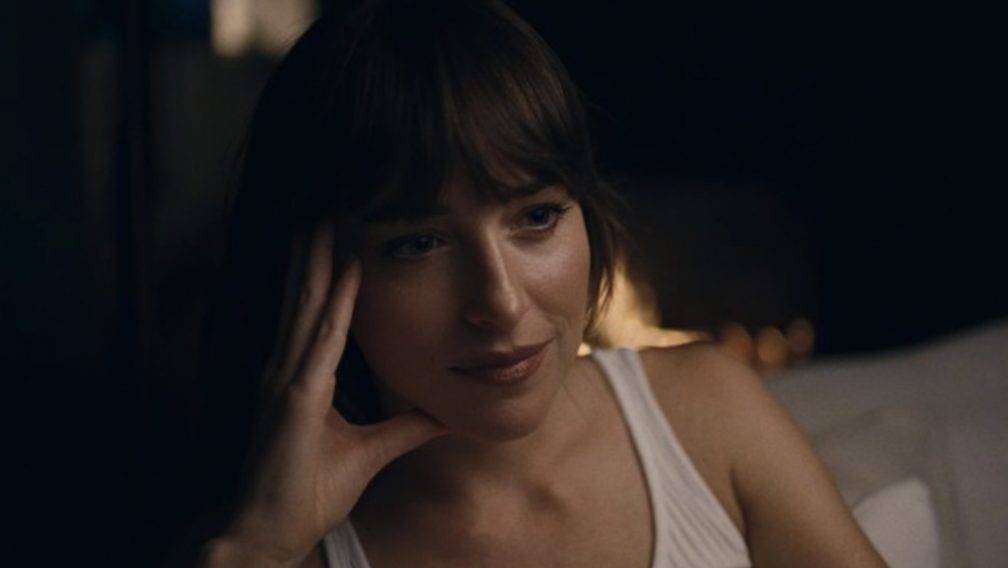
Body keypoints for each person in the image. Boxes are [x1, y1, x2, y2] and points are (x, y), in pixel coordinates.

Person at [187, 0, 887, 566]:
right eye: (420, 244)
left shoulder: (706, 414)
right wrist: (259, 548)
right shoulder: (285, 549)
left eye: (538, 216)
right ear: (309, 279)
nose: (501, 301)